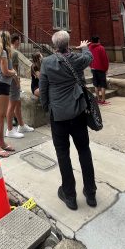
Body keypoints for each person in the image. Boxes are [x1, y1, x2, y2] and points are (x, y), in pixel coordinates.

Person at [39, 31, 97, 210]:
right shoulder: (77, 59)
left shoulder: (47, 63)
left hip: (58, 115)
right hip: (78, 112)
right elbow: (89, 56)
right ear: (68, 43)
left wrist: (46, 106)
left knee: (63, 154)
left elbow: (43, 88)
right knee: (84, 151)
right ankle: (91, 193)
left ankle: (69, 195)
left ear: (55, 46)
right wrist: (85, 46)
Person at [0, 30, 17, 158]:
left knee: (1, 116)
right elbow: (5, 71)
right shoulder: (4, 52)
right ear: (6, 39)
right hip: (1, 86)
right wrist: (14, 72)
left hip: (1, 86)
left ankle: (2, 142)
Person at [5, 33, 34, 139]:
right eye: (19, 41)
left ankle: (21, 125)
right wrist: (17, 83)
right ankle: (9, 130)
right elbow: (15, 71)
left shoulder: (5, 51)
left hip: (8, 82)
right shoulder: (15, 53)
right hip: (13, 82)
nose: (20, 43)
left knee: (17, 103)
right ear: (16, 41)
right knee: (12, 105)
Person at [89, 36, 110, 105]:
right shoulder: (101, 48)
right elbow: (105, 60)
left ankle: (98, 99)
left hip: (93, 68)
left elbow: (88, 58)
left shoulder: (89, 48)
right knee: (103, 85)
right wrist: (106, 68)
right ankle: (103, 100)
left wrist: (91, 66)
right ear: (98, 40)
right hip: (101, 69)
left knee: (96, 85)